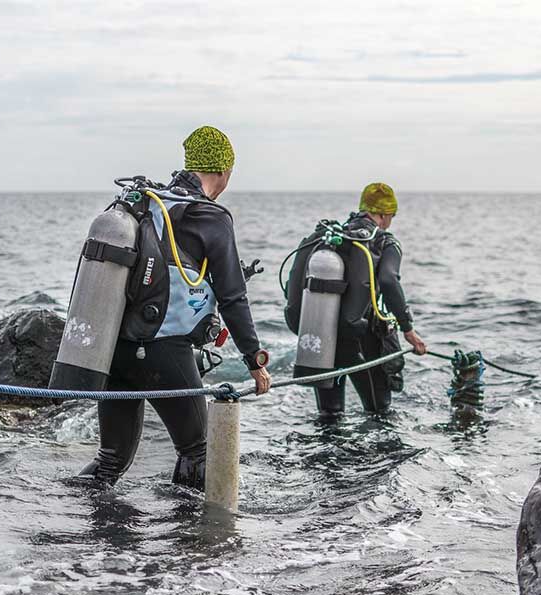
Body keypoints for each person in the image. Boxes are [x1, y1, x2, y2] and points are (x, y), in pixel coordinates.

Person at [79, 126, 271, 489]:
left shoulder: (150, 202)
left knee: (111, 460)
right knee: (198, 452)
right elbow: (233, 297)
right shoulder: (211, 217)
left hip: (116, 349)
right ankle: (190, 542)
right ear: (223, 171)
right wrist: (254, 361)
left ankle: (69, 523)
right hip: (164, 351)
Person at [284, 182, 427, 418]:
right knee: (379, 412)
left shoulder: (331, 238)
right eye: (391, 215)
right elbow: (390, 281)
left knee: (329, 415)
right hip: (361, 340)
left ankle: (324, 454)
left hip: (321, 334)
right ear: (383, 214)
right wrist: (409, 330)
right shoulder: (383, 241)